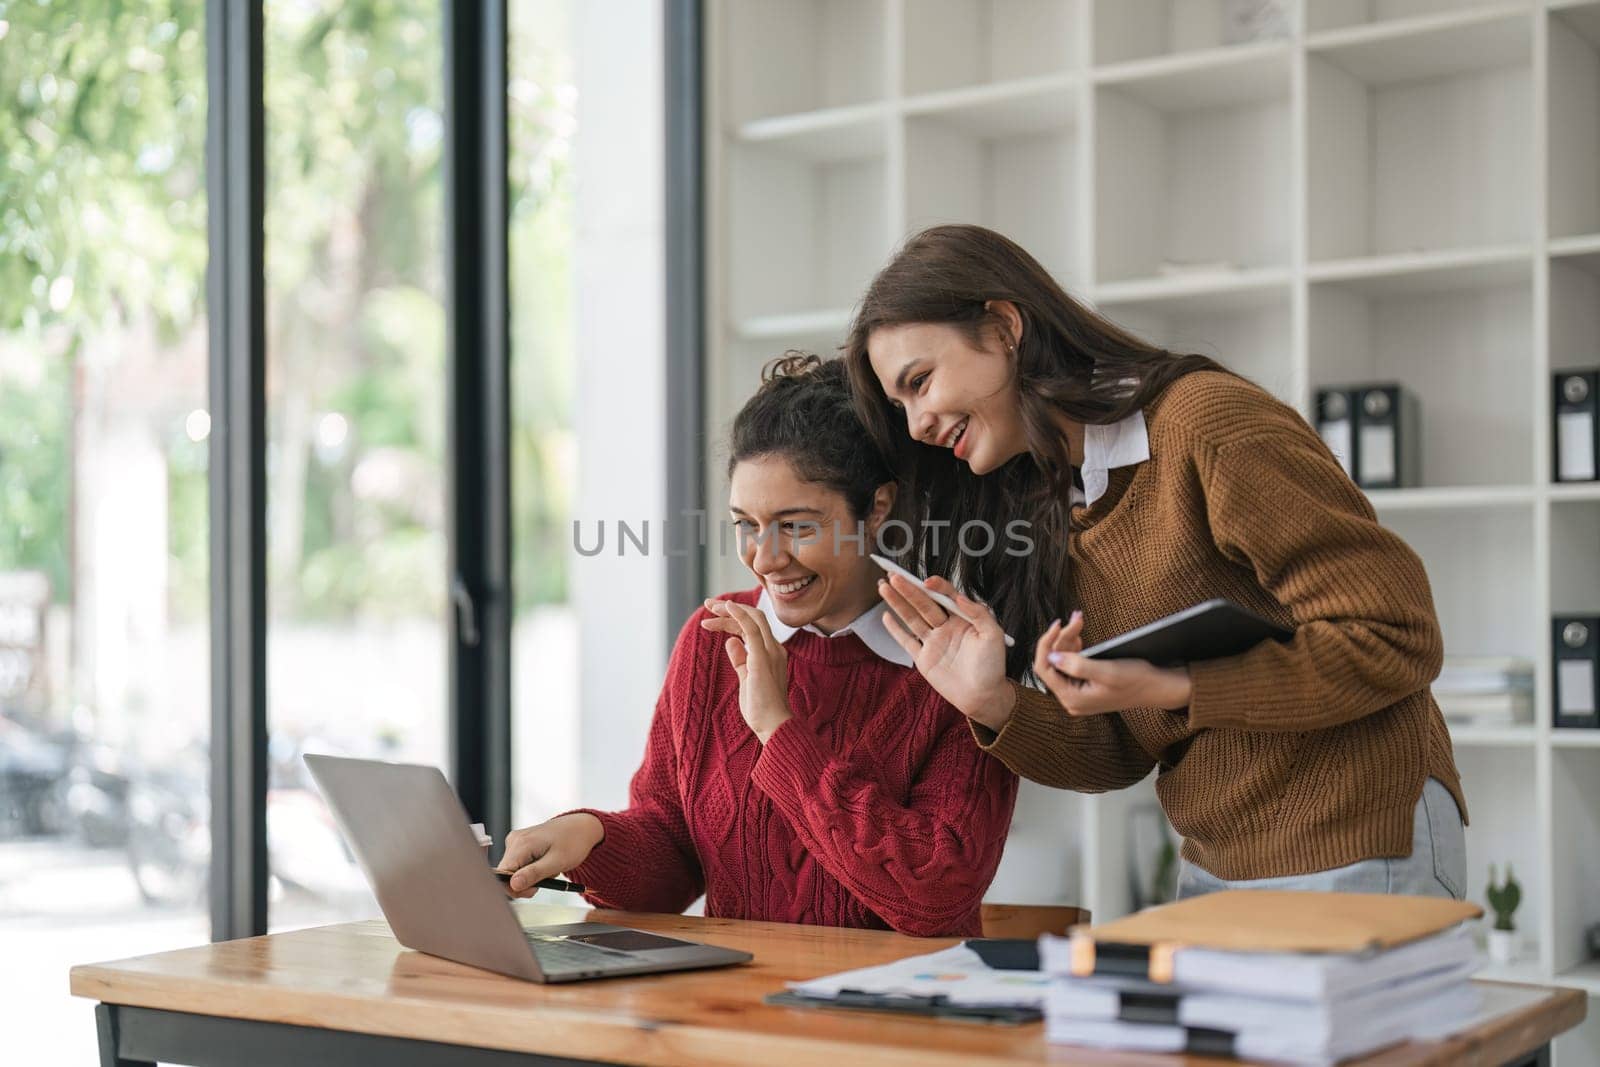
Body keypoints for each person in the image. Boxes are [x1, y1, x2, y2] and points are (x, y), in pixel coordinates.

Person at [842, 224, 1467, 900]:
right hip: (1215, 866)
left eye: (920, 382)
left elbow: (1396, 636)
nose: (917, 426)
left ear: (1002, 329)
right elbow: (1123, 750)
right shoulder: (1057, 502)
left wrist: (1179, 683)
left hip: (1359, 839)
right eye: (900, 404)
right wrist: (995, 702)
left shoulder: (1203, 426)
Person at [499, 354, 1017, 936]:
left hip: (892, 1015)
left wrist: (779, 729)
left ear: (876, 508)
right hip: (736, 1004)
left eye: (797, 525)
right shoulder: (714, 636)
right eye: (747, 524)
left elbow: (937, 895)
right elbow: (671, 855)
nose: (765, 559)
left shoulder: (956, 664)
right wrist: (590, 836)